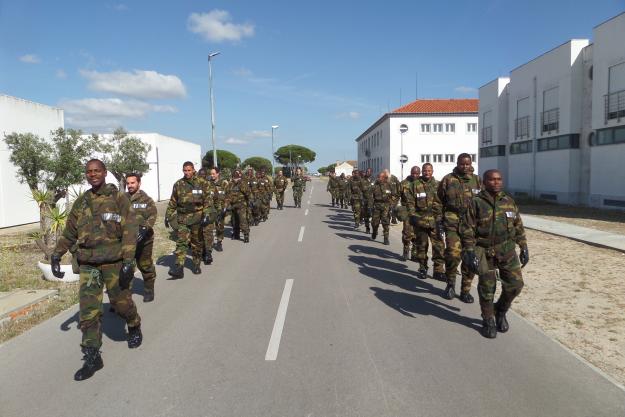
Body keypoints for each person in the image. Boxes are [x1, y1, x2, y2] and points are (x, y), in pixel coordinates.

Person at [50, 159, 142, 381]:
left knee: (121, 303)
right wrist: (56, 254)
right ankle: (92, 356)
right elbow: (70, 232)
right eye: (89, 172)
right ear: (86, 175)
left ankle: (133, 323)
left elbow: (130, 228)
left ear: (105, 172)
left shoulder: (118, 198)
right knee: (88, 310)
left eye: (97, 171)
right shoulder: (81, 203)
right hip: (89, 264)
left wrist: (129, 260)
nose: (93, 174)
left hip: (114, 262)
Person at [460, 169, 529, 338]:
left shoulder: (509, 201)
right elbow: (467, 228)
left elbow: (518, 225)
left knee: (516, 285)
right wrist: (469, 251)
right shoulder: (476, 202)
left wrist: (523, 246)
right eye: (492, 180)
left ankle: (500, 310)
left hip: (507, 250)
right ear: (484, 182)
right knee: (487, 288)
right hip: (484, 251)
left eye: (499, 179)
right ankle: (488, 319)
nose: (496, 182)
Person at [437, 153, 482, 302]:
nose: (465, 166)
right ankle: (450, 284)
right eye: (462, 164)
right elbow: (439, 201)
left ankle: (466, 290)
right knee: (453, 254)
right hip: (452, 222)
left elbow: (483, 203)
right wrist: (439, 220)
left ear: (470, 164)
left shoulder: (477, 181)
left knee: (470, 257)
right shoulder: (448, 179)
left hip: (472, 225)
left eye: (467, 164)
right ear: (457, 163)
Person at [165, 161, 215, 278]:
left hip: (197, 217)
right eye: (185, 170)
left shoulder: (202, 183)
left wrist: (206, 214)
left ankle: (196, 264)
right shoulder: (178, 184)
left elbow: (208, 200)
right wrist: (168, 215)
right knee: (181, 243)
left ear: (193, 170)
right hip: (183, 218)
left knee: (196, 243)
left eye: (189, 170)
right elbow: (173, 201)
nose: (187, 172)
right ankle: (179, 268)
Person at [125, 173, 158, 302]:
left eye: (132, 183)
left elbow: (153, 215)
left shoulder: (146, 200)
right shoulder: (123, 199)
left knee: (145, 265)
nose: (130, 186)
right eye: (128, 183)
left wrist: (145, 228)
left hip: (144, 240)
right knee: (125, 267)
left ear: (139, 183)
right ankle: (123, 298)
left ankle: (149, 290)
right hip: (127, 240)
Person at [411, 163, 445, 280]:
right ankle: (422, 268)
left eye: (429, 171)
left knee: (439, 246)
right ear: (422, 172)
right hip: (421, 221)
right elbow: (410, 202)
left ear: (432, 171)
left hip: (436, 221)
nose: (427, 172)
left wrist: (443, 218)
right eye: (425, 170)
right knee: (422, 245)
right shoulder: (415, 185)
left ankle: (438, 270)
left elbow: (444, 202)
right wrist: (413, 216)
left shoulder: (439, 185)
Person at [198, 168, 219, 265]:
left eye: (203, 175)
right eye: (200, 175)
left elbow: (216, 200)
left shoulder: (211, 186)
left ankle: (208, 253)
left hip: (209, 214)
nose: (202, 176)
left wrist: (218, 211)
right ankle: (202, 252)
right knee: (199, 235)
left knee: (208, 234)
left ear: (206, 176)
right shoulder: (194, 186)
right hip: (197, 215)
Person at [400, 166, 420, 261]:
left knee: (417, 233)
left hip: (419, 212)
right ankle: (406, 250)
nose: (415, 175)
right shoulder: (404, 183)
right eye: (413, 173)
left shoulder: (421, 183)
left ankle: (414, 252)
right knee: (407, 232)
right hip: (407, 211)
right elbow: (396, 195)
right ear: (410, 172)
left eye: (417, 173)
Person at [225, 169, 251, 242]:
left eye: (237, 177)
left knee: (242, 221)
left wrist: (249, 203)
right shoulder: (230, 184)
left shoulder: (243, 183)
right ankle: (236, 234)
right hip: (233, 206)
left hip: (241, 205)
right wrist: (227, 205)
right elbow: (227, 194)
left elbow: (248, 193)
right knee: (234, 221)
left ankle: (246, 234)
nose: (236, 179)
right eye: (234, 177)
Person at [369, 171, 392, 245]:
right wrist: (370, 206)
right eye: (378, 177)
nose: (379, 178)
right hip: (377, 205)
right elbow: (370, 196)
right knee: (374, 223)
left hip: (386, 205)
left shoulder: (389, 185)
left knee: (385, 222)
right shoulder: (374, 185)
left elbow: (394, 195)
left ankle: (386, 238)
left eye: (381, 177)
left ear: (384, 177)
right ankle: (374, 232)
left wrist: (392, 204)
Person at [209, 167, 228, 251]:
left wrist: (225, 207)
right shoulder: (208, 183)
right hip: (210, 209)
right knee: (209, 227)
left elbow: (228, 196)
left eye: (213, 174)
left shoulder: (224, 183)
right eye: (211, 174)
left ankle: (219, 242)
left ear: (217, 174)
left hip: (220, 209)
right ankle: (209, 244)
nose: (212, 175)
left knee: (219, 226)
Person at [360, 168, 374, 234]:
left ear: (371, 172)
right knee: (366, 215)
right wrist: (361, 199)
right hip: (365, 199)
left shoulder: (374, 180)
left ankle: (374, 228)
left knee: (373, 215)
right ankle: (367, 228)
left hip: (373, 200)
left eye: (369, 172)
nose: (368, 173)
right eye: (367, 172)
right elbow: (360, 190)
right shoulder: (362, 180)